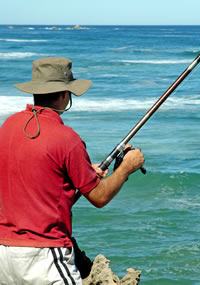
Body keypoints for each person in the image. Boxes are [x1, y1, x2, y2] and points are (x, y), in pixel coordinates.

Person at [0, 57, 144, 284]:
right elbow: (99, 197)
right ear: (65, 95)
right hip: (44, 255)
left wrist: (83, 174)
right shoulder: (67, 139)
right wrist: (126, 167)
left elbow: (35, 173)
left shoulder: (8, 126)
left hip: (4, 253)